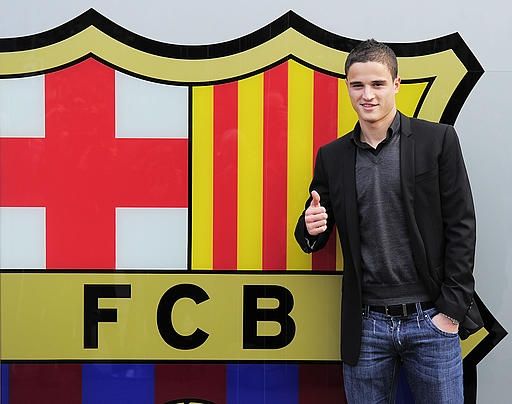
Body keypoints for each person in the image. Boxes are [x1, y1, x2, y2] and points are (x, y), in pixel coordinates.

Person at [295, 39, 477, 403]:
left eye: (377, 84)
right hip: (366, 325)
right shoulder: (332, 157)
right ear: (347, 87)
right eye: (357, 85)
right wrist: (310, 226)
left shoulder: (436, 141)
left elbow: (462, 226)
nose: (367, 95)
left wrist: (451, 312)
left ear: (396, 84)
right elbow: (313, 227)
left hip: (431, 318)